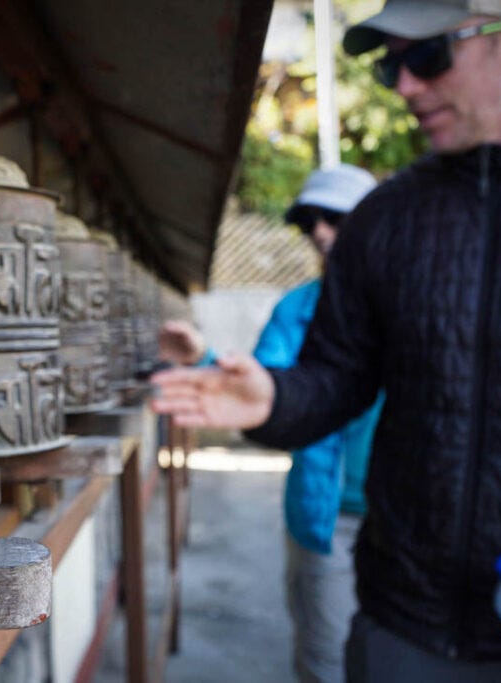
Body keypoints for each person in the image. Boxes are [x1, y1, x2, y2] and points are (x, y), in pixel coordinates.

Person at [151, 0, 501, 680]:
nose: (405, 86)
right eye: (391, 64)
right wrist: (269, 398)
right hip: (403, 622)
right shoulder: (384, 220)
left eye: (427, 57)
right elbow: (334, 377)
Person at [160, 164, 380, 683]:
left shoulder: (418, 299)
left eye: (335, 219)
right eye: (309, 223)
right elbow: (266, 387)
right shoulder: (296, 308)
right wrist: (208, 358)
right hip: (329, 521)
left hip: (410, 518)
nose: (321, 233)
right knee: (328, 658)